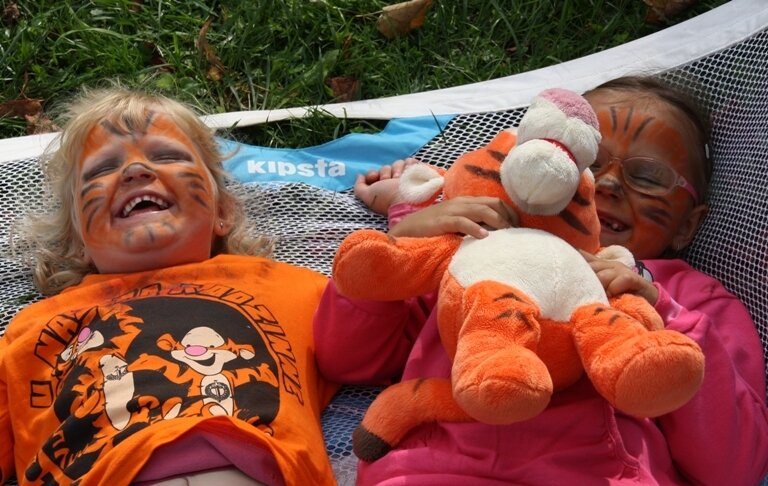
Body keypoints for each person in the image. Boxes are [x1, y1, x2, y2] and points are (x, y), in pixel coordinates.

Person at [313, 76, 768, 485]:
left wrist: (662, 312)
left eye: (647, 176)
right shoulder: (472, 249)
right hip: (430, 470)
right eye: (584, 165)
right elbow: (348, 361)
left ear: (688, 225)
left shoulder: (691, 298)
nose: (606, 184)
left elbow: (733, 468)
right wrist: (404, 237)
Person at [0, 89, 338, 486]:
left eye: (166, 156)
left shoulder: (288, 285)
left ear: (223, 211)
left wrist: (397, 207)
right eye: (102, 168)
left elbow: (382, 336)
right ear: (77, 240)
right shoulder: (34, 328)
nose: (135, 170)